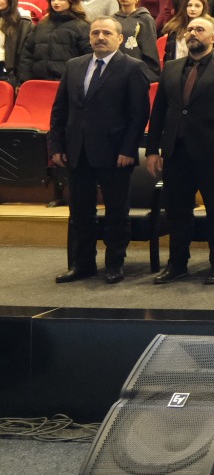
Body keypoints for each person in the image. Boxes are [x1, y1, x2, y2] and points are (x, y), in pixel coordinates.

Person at [47, 17, 151, 284]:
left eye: (106, 33)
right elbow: (60, 110)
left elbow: (139, 115)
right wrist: (57, 146)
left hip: (116, 154)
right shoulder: (74, 65)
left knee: (117, 213)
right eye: (95, 33)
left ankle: (115, 264)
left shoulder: (133, 67)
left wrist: (129, 149)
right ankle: (83, 264)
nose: (100, 37)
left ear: (119, 38)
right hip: (77, 151)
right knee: (80, 213)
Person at [146, 16, 214, 285]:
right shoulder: (171, 67)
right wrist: (152, 149)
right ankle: (177, 264)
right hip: (175, 152)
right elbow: (159, 112)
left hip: (212, 153)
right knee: (177, 212)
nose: (192, 33)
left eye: (199, 29)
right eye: (190, 29)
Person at [19, 0, 92, 83]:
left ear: (71, 0)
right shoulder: (41, 25)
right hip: (39, 81)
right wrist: (23, 80)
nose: (55, 2)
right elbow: (27, 54)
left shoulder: (82, 26)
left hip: (68, 82)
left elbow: (88, 57)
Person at [110, 0, 161, 80]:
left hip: (137, 70)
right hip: (115, 69)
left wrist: (149, 74)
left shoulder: (144, 18)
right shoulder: (113, 19)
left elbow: (149, 48)